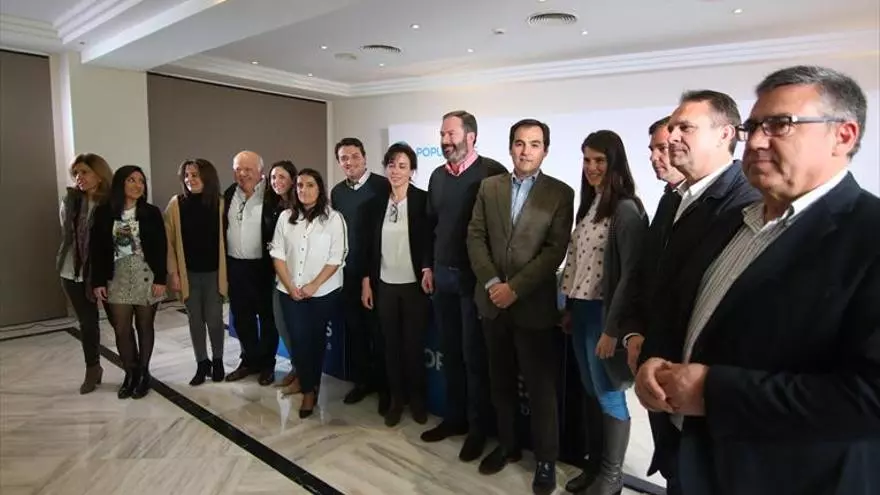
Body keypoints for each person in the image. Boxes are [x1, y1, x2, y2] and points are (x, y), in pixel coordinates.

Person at [636, 65, 880, 495]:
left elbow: (869, 398)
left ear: (843, 136)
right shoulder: (732, 219)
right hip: (694, 463)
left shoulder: (869, 235)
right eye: (753, 127)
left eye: (781, 124)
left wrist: (713, 392)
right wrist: (655, 360)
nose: (757, 141)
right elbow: (685, 309)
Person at [624, 90, 759, 494]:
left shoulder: (746, 205)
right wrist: (634, 333)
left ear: (725, 134)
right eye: (672, 127)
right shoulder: (673, 199)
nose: (672, 137)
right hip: (661, 382)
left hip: (702, 398)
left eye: (686, 127)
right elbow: (649, 276)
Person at [467, 119, 573, 494]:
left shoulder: (560, 193)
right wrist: (493, 284)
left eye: (534, 144)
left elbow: (554, 251)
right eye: (519, 143)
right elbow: (475, 237)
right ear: (510, 146)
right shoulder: (489, 187)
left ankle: (545, 460)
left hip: (533, 307)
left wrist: (515, 288)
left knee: (541, 390)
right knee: (500, 382)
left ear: (545, 150)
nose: (525, 150)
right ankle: (508, 446)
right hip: (492, 304)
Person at [561, 130, 647, 495]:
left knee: (609, 392)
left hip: (604, 317)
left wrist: (613, 330)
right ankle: (594, 465)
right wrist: (568, 307)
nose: (592, 167)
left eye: (600, 160)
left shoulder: (626, 210)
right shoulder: (590, 205)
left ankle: (612, 477)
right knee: (590, 389)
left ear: (615, 163)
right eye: (587, 160)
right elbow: (577, 262)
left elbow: (632, 276)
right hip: (581, 312)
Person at [421, 110, 507, 463]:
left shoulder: (492, 172)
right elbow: (430, 225)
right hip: (443, 278)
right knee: (451, 353)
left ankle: (478, 429)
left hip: (476, 282)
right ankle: (454, 419)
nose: (445, 140)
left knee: (475, 357)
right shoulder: (437, 177)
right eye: (442, 134)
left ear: (471, 136)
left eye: (451, 134)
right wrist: (428, 266)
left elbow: (500, 231)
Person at [360, 143, 433, 427]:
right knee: (390, 347)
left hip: (414, 287)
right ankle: (396, 400)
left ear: (412, 170)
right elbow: (369, 248)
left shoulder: (422, 201)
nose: (396, 171)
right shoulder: (376, 203)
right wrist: (367, 282)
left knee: (413, 347)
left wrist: (427, 268)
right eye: (391, 165)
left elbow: (429, 241)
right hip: (385, 286)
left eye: (403, 166)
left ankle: (417, 401)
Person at [271, 169, 347, 418]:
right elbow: (277, 254)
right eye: (300, 185)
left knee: (315, 340)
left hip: (322, 291)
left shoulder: (333, 219)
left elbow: (337, 257)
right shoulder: (286, 217)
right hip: (290, 291)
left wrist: (314, 285)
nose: (304, 190)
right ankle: (307, 388)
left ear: (320, 188)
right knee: (299, 340)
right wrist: (290, 285)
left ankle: (312, 386)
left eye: (310, 185)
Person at [90, 165, 167, 399]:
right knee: (122, 328)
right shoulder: (104, 212)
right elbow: (96, 249)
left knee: (145, 325)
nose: (137, 185)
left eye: (141, 181)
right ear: (120, 183)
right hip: (117, 276)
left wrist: (161, 278)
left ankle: (144, 373)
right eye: (131, 180)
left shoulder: (151, 212)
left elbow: (161, 247)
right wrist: (98, 281)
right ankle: (130, 372)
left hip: (145, 274)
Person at [330, 138, 390, 413]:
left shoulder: (382, 186)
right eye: (344, 158)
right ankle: (363, 381)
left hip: (377, 272)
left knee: (380, 332)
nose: (350, 162)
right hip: (348, 273)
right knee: (355, 331)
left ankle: (386, 388)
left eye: (354, 156)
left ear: (365, 157)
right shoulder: (337, 193)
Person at [164, 158, 227, 385]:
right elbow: (169, 242)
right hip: (188, 274)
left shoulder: (221, 203)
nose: (190, 179)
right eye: (187, 175)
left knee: (215, 319)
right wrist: (173, 273)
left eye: (195, 175)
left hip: (214, 273)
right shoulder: (176, 204)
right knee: (195, 321)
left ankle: (218, 361)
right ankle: (202, 363)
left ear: (207, 177)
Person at [57, 153, 116, 394]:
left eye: (84, 172)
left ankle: (135, 368)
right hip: (72, 271)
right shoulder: (70, 201)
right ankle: (93, 369)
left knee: (119, 321)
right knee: (88, 323)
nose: (79, 177)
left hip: (104, 272)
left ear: (99, 175)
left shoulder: (112, 203)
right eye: (76, 173)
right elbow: (67, 235)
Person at [223, 151, 281, 385]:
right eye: (238, 169)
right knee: (241, 318)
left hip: (264, 268)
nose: (243, 174)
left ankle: (267, 364)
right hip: (236, 267)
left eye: (248, 169)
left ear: (260, 171)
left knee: (268, 318)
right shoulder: (229, 193)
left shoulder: (272, 195)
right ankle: (249, 360)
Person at [266, 160, 300, 395]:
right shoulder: (272, 205)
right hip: (276, 276)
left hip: (298, 276)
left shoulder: (301, 207)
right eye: (273, 177)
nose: (276, 182)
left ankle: (303, 372)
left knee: (297, 328)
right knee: (282, 325)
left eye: (282, 177)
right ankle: (296, 367)